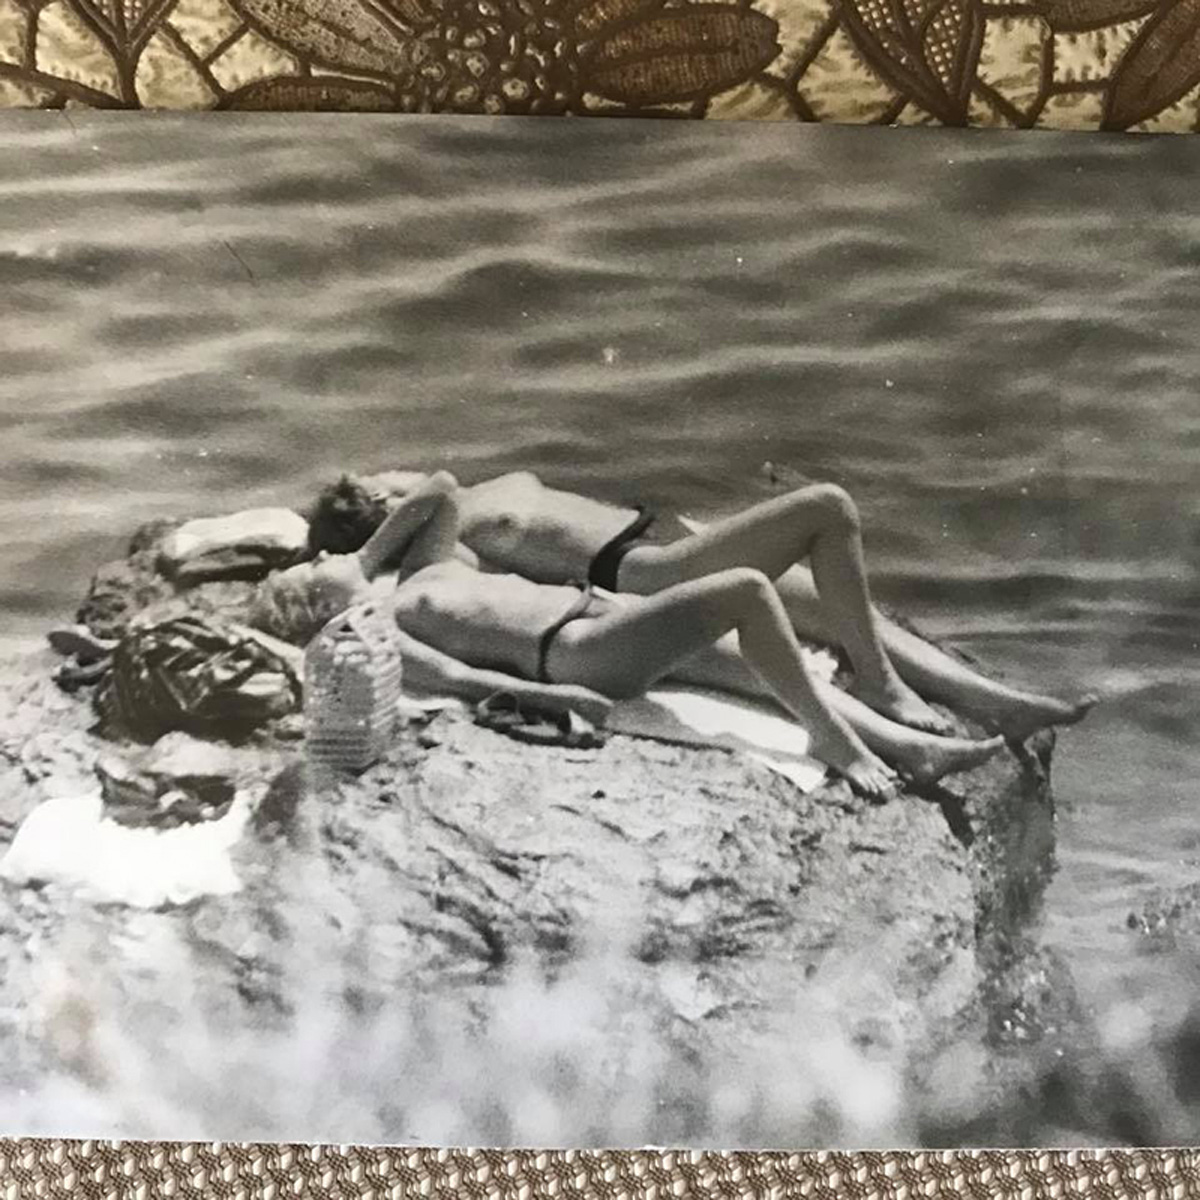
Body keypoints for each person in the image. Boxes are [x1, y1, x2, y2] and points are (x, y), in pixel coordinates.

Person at [260, 472, 1011, 800]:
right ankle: (838, 741)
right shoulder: (372, 622)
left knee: (765, 666)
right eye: (308, 575)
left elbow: (442, 488)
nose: (318, 562)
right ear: (310, 610)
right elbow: (447, 680)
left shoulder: (417, 566)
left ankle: (907, 743)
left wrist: (363, 557)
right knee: (747, 594)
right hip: (576, 651)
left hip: (598, 610)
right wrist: (550, 696)